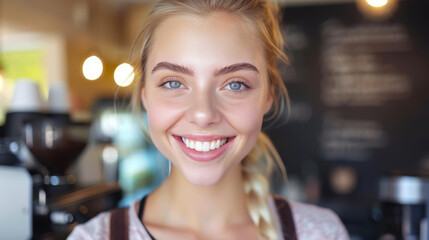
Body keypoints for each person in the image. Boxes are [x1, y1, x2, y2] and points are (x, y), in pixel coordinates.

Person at [68, 0, 350, 239]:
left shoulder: (321, 233)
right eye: (174, 83)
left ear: (268, 96)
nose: (203, 114)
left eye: (235, 84)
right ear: (144, 94)